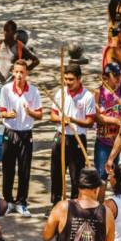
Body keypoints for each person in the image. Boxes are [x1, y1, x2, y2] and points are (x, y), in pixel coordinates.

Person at [43, 168, 115, 241]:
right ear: (97, 189)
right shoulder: (107, 212)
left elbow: (46, 235)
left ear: (79, 187)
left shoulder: (62, 207)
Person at [0, 59, 42, 217]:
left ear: (26, 74)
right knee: (8, 168)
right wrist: (8, 114)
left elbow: (40, 114)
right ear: (12, 72)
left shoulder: (34, 91)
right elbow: (1, 112)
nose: (18, 75)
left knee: (24, 170)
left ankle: (22, 202)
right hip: (10, 132)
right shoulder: (6, 90)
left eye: (22, 72)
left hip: (26, 134)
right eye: (16, 72)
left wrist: (30, 112)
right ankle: (8, 201)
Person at [50, 64, 95, 205]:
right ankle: (55, 204)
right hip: (61, 136)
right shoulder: (61, 93)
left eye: (71, 79)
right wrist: (61, 120)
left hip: (77, 139)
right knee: (57, 173)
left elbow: (89, 121)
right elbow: (53, 115)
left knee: (76, 176)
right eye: (65, 79)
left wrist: (73, 120)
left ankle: (75, 206)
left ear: (79, 79)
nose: (67, 82)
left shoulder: (87, 96)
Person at [0, 20, 39, 126]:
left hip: (13, 86)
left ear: (14, 32)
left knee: (12, 112)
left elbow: (36, 60)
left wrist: (25, 71)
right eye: (4, 30)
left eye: (8, 31)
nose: (5, 33)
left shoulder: (20, 47)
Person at [94, 63, 121, 202]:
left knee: (120, 177)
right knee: (101, 178)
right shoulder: (98, 92)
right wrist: (115, 121)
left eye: (119, 75)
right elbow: (97, 117)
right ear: (105, 77)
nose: (118, 78)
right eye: (115, 75)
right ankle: (98, 210)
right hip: (103, 142)